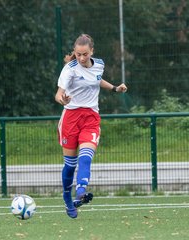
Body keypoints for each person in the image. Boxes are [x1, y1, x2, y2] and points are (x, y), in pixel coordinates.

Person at [55, 33, 127, 218]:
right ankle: (67, 199)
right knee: (70, 166)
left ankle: (81, 191)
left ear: (91, 52)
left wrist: (114, 88)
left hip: (91, 117)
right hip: (71, 117)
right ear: (75, 53)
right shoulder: (69, 69)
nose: (81, 58)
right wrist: (63, 100)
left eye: (85, 54)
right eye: (78, 54)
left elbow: (96, 80)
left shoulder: (100, 64)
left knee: (86, 157)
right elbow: (58, 94)